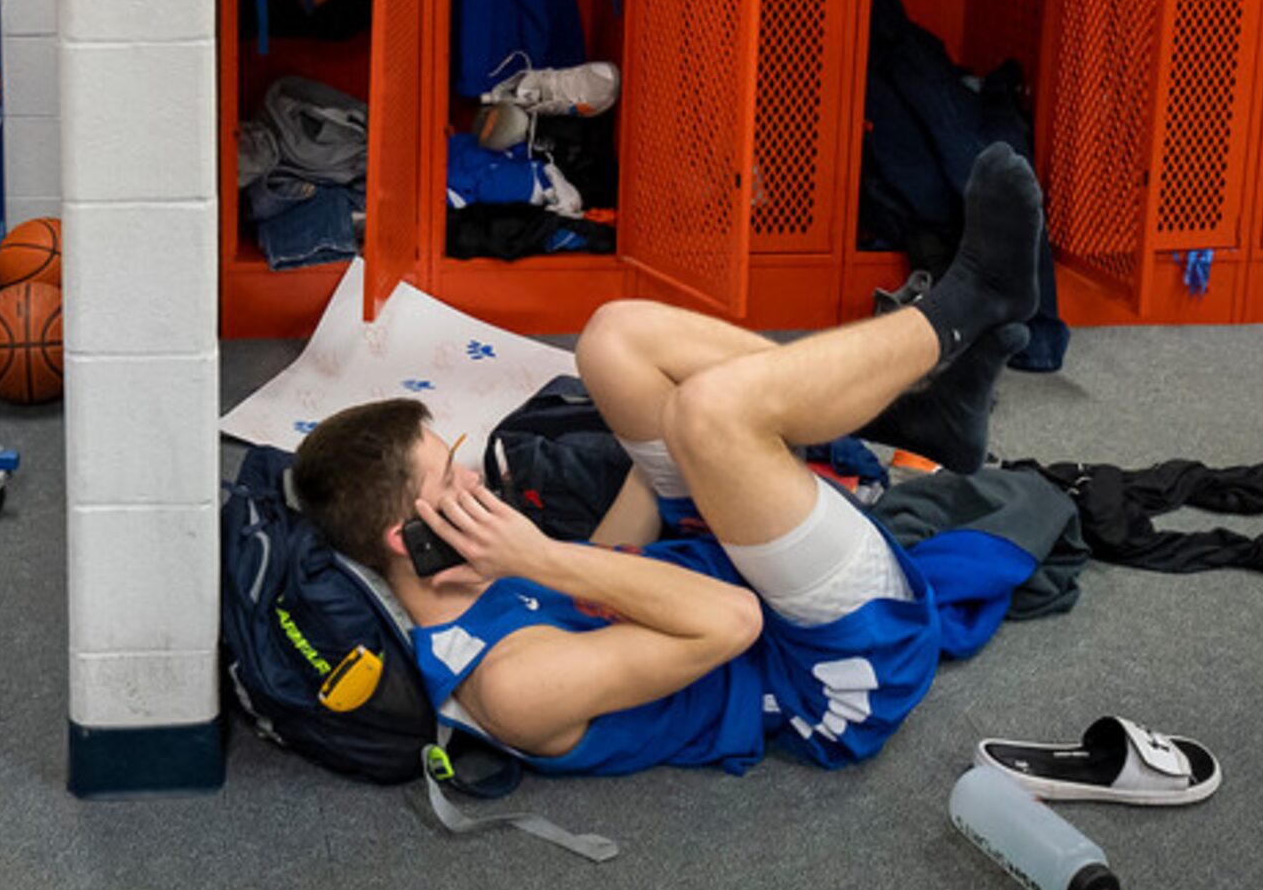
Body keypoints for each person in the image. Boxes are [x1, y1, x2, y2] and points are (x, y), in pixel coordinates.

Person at [290, 144, 1048, 778]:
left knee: (614, 341)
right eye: (449, 474)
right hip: (834, 670)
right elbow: (731, 622)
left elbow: (612, 569)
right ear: (406, 539)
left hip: (720, 570)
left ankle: (897, 403)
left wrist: (651, 436)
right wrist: (548, 559)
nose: (474, 476)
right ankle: (966, 306)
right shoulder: (511, 685)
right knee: (711, 414)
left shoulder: (479, 573)